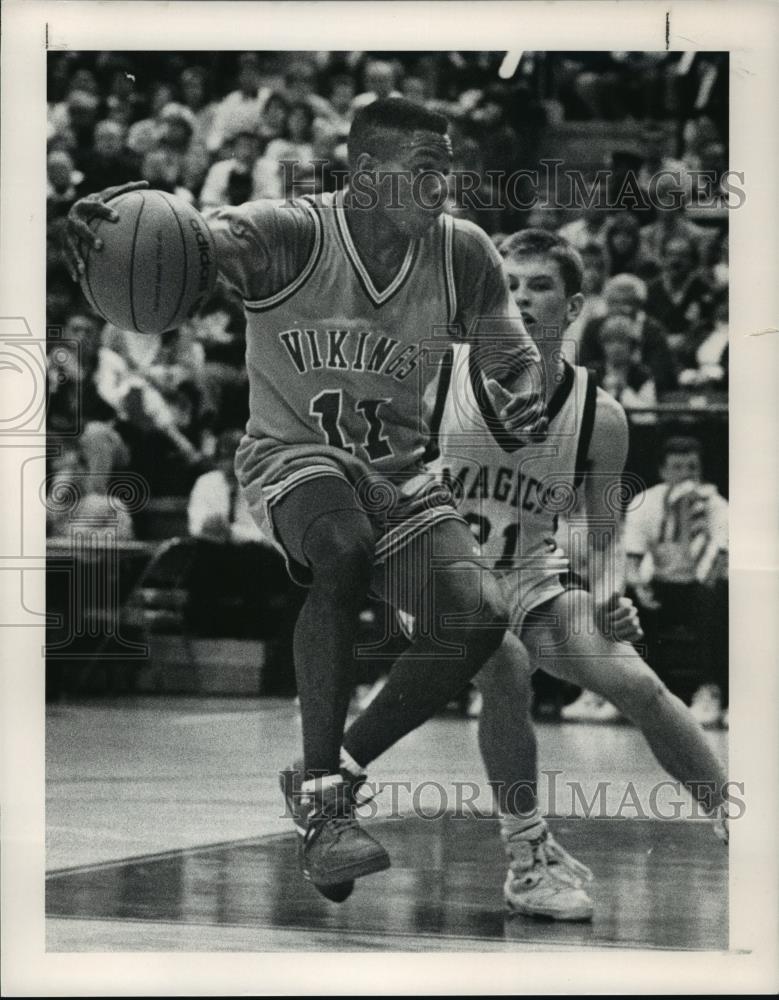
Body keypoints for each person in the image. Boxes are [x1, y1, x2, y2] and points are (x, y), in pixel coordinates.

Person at [64, 98, 547, 901]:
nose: (442, 184)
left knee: (476, 615)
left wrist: (521, 390)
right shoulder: (287, 232)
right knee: (343, 548)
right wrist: (105, 225)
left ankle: (327, 776)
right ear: (362, 174)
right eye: (424, 168)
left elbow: (511, 351)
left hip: (396, 472)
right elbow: (190, 237)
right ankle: (327, 807)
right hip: (290, 456)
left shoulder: (461, 252)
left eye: (448, 168)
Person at [427, 230, 728, 920]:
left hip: (530, 579)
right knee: (502, 666)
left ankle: (735, 819)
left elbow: (602, 535)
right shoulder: (437, 374)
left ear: (573, 307)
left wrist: (612, 596)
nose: (520, 298)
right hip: (437, 576)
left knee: (638, 683)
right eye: (508, 283)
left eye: (538, 286)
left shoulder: (602, 415)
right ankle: (527, 859)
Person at [624, 436, 729, 728]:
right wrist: (639, 586)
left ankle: (710, 691)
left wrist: (694, 521)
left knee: (719, 597)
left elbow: (720, 561)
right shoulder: (645, 503)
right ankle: (649, 692)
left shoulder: (717, 506)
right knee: (625, 597)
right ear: (663, 471)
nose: (685, 475)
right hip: (661, 585)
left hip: (700, 588)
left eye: (692, 468)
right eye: (677, 467)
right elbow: (632, 560)